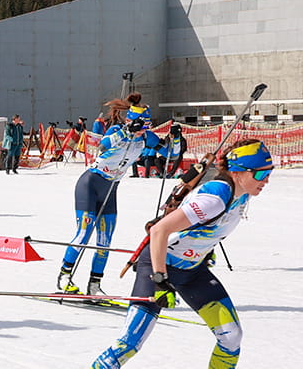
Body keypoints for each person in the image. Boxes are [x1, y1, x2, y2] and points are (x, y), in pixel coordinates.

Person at [92, 139, 272, 368]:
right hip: (159, 266)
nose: (266, 180)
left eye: (269, 173)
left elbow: (209, 226)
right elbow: (159, 230)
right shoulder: (215, 198)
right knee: (129, 343)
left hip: (191, 269)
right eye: (260, 174)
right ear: (238, 172)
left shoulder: (243, 194)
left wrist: (205, 250)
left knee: (231, 337)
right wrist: (159, 280)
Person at [57, 95, 162, 295]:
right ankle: (64, 277)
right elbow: (102, 146)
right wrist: (125, 132)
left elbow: (169, 153)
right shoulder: (116, 130)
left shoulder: (146, 137)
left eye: (146, 126)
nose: (143, 130)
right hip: (90, 184)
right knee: (83, 235)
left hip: (111, 189)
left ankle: (94, 286)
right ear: (130, 121)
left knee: (105, 242)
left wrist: (174, 138)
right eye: (140, 126)